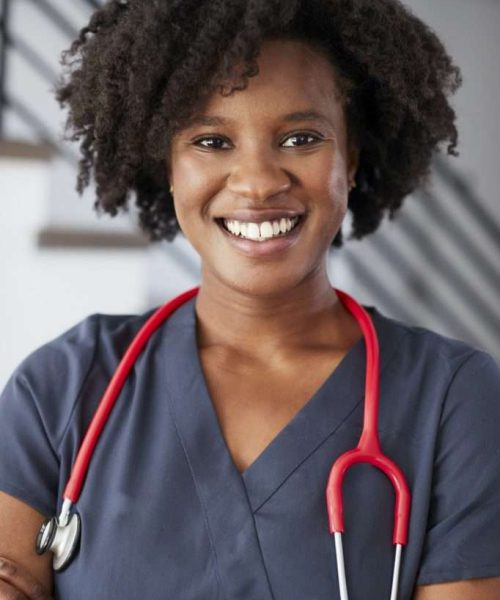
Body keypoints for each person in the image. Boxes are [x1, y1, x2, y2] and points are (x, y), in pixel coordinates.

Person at [1, 0, 499, 598]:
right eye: (211, 141)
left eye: (300, 138)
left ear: (352, 158)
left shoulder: (452, 397)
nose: (259, 182)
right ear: (169, 165)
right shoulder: (65, 383)